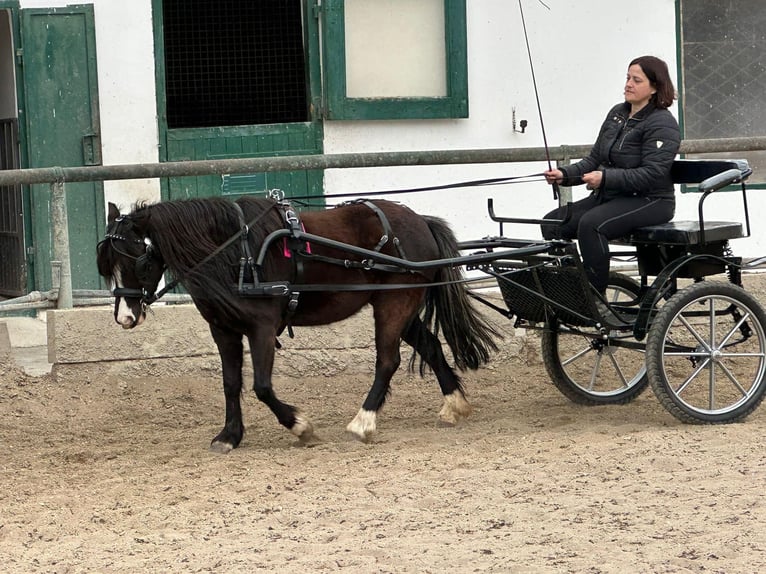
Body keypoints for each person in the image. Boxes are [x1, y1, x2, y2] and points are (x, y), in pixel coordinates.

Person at [541, 55, 681, 302]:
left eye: (636, 80)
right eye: (628, 78)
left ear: (655, 87)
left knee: (591, 224)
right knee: (552, 223)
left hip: (650, 201)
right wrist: (565, 175)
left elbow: (652, 173)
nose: (628, 84)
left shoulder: (662, 123)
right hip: (611, 196)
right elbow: (594, 158)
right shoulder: (617, 113)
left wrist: (605, 178)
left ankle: (593, 298)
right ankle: (568, 288)